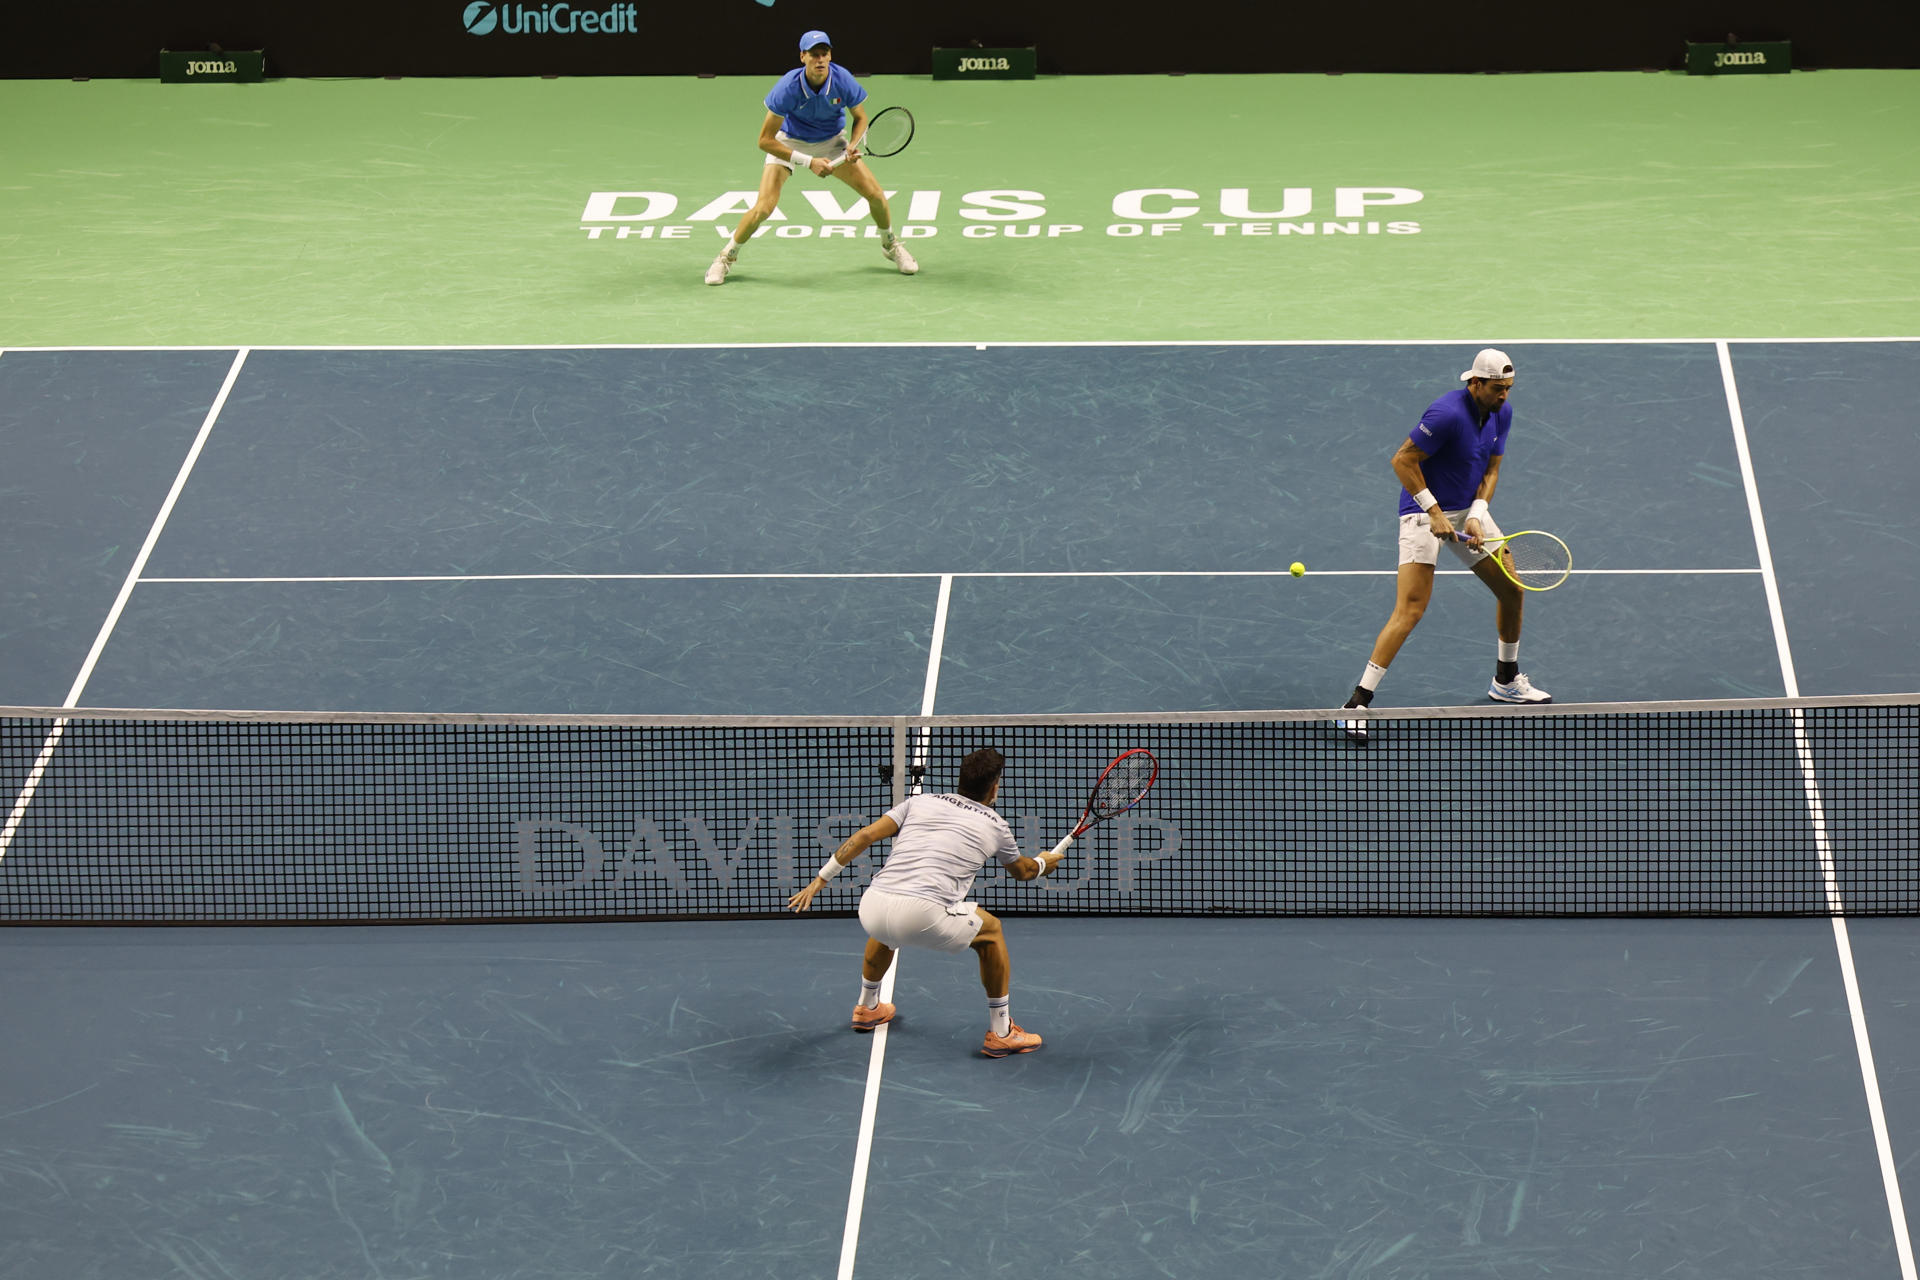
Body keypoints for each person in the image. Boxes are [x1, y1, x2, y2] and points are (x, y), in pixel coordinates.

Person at [1338, 349, 1551, 743]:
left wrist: (1477, 511)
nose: (1504, 395)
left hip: (1467, 509)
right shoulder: (1446, 414)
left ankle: (1505, 680)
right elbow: (1402, 460)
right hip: (1422, 510)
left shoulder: (1503, 413)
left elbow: (1491, 468)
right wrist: (1433, 510)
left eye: (1508, 388)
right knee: (1411, 609)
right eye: (1497, 388)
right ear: (1475, 383)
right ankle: (1356, 703)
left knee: (1512, 590)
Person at [786, 747, 1053, 1058]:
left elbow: (863, 837)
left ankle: (867, 1007)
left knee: (887, 927)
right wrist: (1045, 862)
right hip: (922, 914)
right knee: (990, 931)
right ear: (995, 786)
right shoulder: (996, 825)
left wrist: (821, 879)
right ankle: (1002, 1032)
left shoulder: (919, 801)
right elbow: (1023, 872)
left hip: (872, 907)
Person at [705, 30, 919, 285]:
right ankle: (726, 257)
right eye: (814, 54)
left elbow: (860, 118)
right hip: (791, 141)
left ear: (830, 56)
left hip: (831, 142)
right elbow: (765, 140)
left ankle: (890, 244)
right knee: (764, 207)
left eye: (824, 54)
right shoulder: (787, 87)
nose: (820, 59)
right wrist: (808, 162)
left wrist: (852, 145)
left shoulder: (842, 80)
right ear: (802, 57)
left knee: (876, 196)